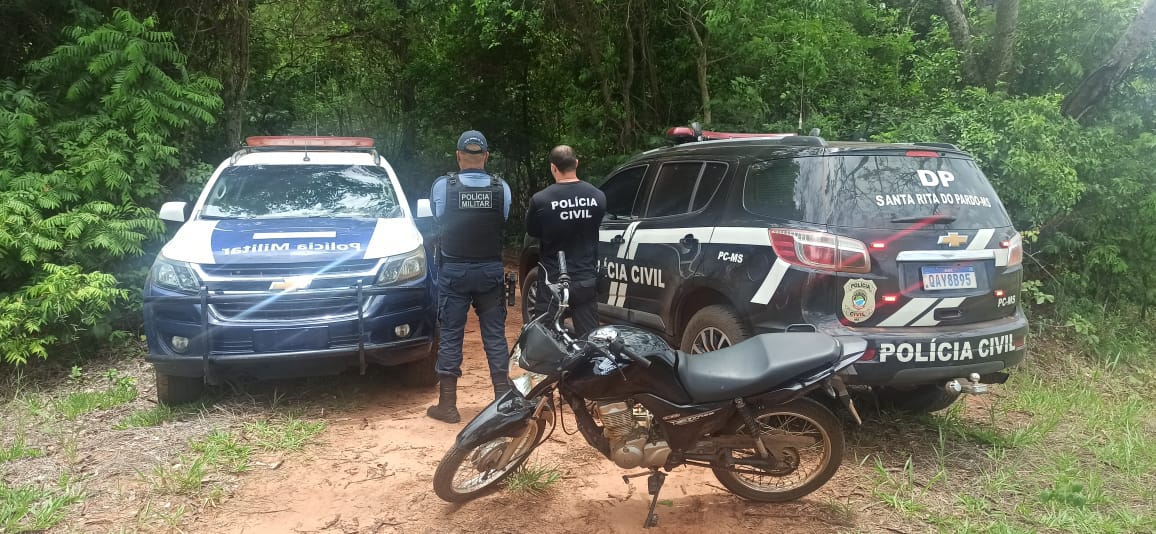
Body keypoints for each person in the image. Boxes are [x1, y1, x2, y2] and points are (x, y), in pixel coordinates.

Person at [426, 130, 513, 424]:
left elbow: (438, 218)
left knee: (451, 335)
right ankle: (503, 400)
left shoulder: (443, 187)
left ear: (459, 156)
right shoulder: (502, 188)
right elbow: (502, 219)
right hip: (489, 271)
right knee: (495, 335)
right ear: (486, 157)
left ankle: (448, 405)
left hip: (454, 271)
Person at [526, 145, 606, 337]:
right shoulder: (598, 196)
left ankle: (555, 367)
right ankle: (588, 366)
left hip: (553, 281)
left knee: (549, 337)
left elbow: (533, 230)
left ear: (553, 168)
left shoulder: (540, 200)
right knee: (590, 339)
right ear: (576, 164)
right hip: (586, 278)